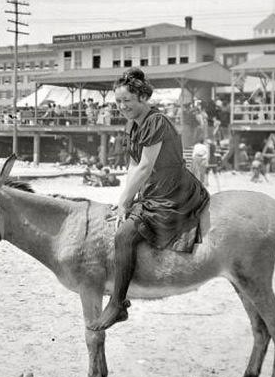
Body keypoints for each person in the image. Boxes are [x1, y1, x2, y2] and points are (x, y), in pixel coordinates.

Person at [89, 68, 209, 331]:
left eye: (127, 102)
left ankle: (118, 304)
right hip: (153, 188)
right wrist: (126, 197)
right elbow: (133, 165)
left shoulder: (156, 122)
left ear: (143, 97)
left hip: (172, 190)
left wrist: (124, 202)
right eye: (118, 102)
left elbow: (145, 166)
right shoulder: (133, 125)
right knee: (118, 219)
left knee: (124, 235)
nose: (121, 107)